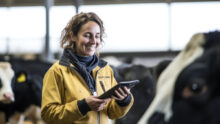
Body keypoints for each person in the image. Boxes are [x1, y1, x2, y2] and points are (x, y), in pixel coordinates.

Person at [41, 12, 134, 124]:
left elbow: (111, 112)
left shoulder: (105, 69)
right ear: (73, 36)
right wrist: (83, 106)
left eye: (97, 36)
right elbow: (48, 114)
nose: (94, 41)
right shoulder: (57, 71)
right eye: (87, 35)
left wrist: (123, 101)